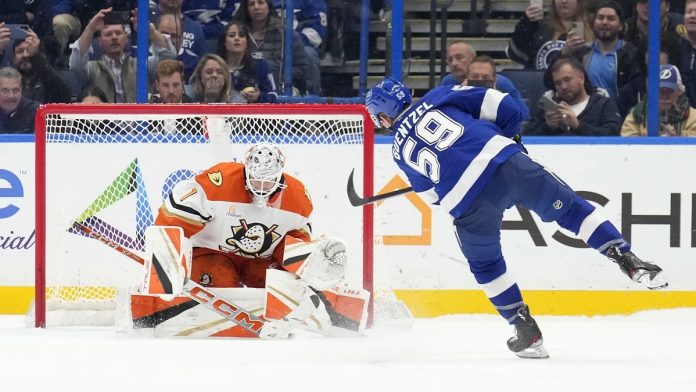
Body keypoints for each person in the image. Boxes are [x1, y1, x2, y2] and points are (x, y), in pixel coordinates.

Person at [365, 77, 667, 358]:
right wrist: (510, 142)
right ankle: (626, 257)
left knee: (486, 264)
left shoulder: (398, 150)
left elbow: (432, 196)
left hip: (467, 202)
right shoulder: (440, 95)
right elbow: (505, 106)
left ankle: (524, 328)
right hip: (505, 163)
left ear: (383, 116)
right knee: (573, 210)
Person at [153, 142, 359, 337]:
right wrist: (167, 258)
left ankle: (324, 310)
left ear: (280, 176)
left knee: (281, 284)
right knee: (221, 280)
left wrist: (309, 261)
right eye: (256, 179)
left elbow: (292, 245)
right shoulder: (218, 181)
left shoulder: (298, 197)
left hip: (260, 260)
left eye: (268, 180)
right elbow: (173, 218)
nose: (261, 185)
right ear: (245, 170)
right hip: (211, 252)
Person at [524, 55, 622, 136]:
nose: (563, 86)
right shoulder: (547, 108)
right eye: (558, 83)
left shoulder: (603, 104)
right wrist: (547, 126)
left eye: (567, 80)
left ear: (581, 78)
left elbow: (613, 134)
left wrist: (578, 125)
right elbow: (526, 139)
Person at [233, 0, 310, 94]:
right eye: (251, 4)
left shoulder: (286, 33)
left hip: (281, 88)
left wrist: (273, 76)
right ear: (246, 8)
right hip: (243, 88)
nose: (256, 7)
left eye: (261, 2)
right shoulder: (236, 34)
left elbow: (302, 68)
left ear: (269, 6)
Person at [441, 41, 529, 119]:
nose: (454, 63)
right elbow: (437, 112)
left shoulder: (501, 83)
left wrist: (497, 99)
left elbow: (524, 116)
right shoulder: (447, 82)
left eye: (459, 57)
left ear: (473, 59)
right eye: (450, 60)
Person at [572, 1, 640, 100]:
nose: (604, 22)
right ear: (593, 23)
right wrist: (564, 52)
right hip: (588, 112)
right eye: (600, 18)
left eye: (611, 19)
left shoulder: (632, 54)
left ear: (621, 25)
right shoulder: (582, 52)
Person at [68, 8, 136, 103]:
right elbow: (76, 65)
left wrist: (148, 30)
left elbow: (163, 56)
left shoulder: (141, 65)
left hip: (138, 117)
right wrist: (90, 29)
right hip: (103, 117)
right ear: (99, 42)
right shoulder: (92, 69)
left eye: (118, 33)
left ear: (126, 38)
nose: (114, 37)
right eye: (108, 34)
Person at [507, 0, 593, 70]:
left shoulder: (591, 26)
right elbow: (516, 54)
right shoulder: (540, 24)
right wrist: (526, 23)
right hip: (538, 83)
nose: (564, 1)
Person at [621, 64, 696, 136]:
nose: (664, 96)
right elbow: (626, 144)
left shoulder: (693, 117)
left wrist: (677, 139)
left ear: (679, 91)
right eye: (660, 91)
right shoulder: (636, 115)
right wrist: (644, 140)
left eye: (669, 91)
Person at [271, 0, 327, 95]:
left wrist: (291, 45)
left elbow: (316, 30)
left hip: (300, 47)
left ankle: (312, 98)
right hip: (269, 45)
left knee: (309, 55)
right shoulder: (262, 3)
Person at [215, 20, 278, 103]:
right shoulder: (214, 67)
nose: (237, 38)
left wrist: (258, 97)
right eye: (231, 35)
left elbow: (274, 95)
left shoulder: (261, 65)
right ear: (224, 42)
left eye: (241, 35)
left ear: (247, 42)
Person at [13, 29, 71, 104]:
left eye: (29, 50)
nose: (25, 55)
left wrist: (36, 56)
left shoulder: (54, 79)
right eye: (20, 51)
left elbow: (63, 95)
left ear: (41, 55)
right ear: (14, 59)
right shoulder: (7, 81)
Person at [0, 66, 41, 133]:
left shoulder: (37, 111)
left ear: (21, 89)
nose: (11, 96)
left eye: (15, 90)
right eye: (5, 90)